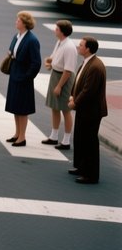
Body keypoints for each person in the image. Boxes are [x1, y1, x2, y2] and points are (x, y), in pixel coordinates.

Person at [68, 36, 107, 184]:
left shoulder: (95, 67)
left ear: (88, 48)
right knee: (80, 138)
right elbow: (78, 80)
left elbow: (88, 90)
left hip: (91, 111)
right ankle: (81, 167)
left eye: (81, 45)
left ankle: (91, 175)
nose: (79, 47)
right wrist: (72, 95)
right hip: (84, 109)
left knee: (89, 141)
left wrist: (75, 103)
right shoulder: (87, 62)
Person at [3, 11, 42, 148]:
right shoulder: (17, 36)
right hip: (15, 74)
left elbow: (36, 62)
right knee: (15, 106)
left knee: (22, 109)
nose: (16, 22)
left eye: (18, 20)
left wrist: (27, 77)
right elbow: (12, 50)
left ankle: (22, 137)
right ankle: (17, 133)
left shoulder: (32, 40)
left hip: (23, 77)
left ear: (24, 23)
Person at [42, 19, 78, 151]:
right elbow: (55, 58)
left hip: (64, 79)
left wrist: (59, 86)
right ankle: (54, 136)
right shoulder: (60, 42)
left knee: (65, 110)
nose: (54, 30)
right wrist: (50, 61)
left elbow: (68, 70)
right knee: (54, 107)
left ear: (62, 32)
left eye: (56, 29)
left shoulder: (69, 47)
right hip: (56, 75)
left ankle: (66, 140)